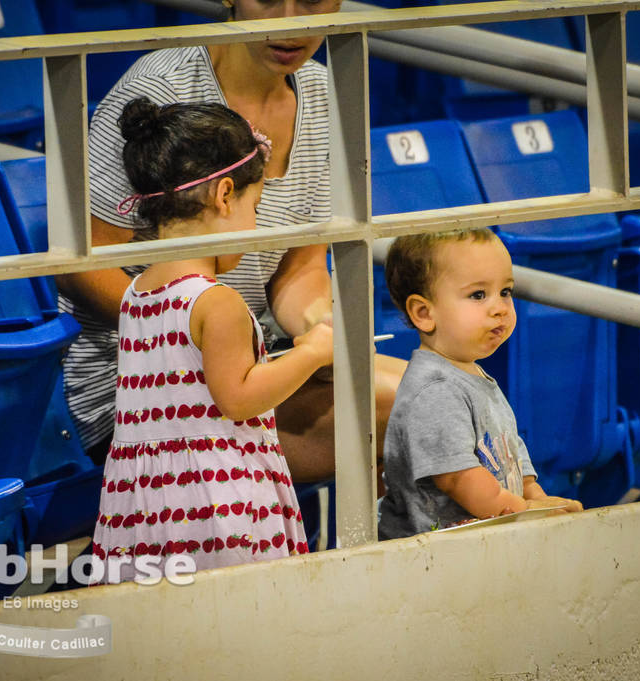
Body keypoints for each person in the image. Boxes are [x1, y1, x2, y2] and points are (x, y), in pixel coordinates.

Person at [58, 0, 404, 484]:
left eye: (310, 0)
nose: (290, 20)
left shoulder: (329, 93)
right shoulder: (160, 87)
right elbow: (80, 263)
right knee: (415, 409)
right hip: (142, 382)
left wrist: (318, 327)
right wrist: (206, 334)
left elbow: (301, 265)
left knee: (439, 389)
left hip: (253, 357)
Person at [89, 97, 333, 580]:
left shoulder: (137, 292)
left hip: (144, 503)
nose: (254, 224)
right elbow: (239, 398)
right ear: (224, 195)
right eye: (254, 208)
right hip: (217, 504)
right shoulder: (215, 302)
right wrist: (311, 353)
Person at [377, 228, 583, 539]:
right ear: (424, 313)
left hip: (478, 544)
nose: (500, 307)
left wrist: (537, 498)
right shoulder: (435, 389)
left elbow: (510, 453)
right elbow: (459, 478)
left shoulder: (469, 373)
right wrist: (525, 511)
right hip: (434, 555)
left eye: (505, 291)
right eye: (478, 295)